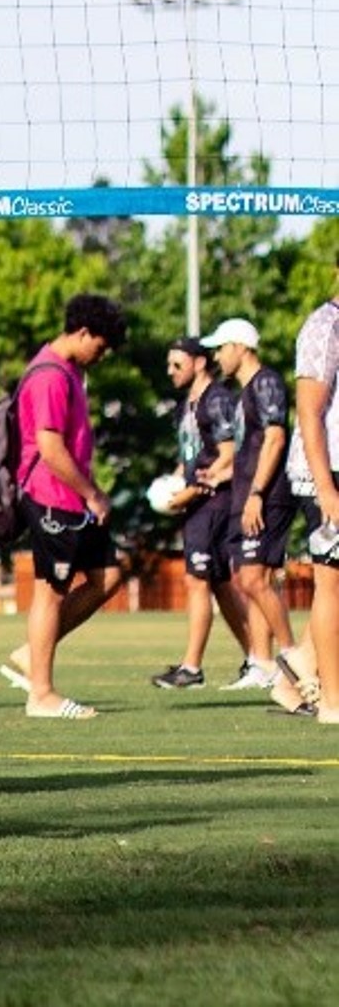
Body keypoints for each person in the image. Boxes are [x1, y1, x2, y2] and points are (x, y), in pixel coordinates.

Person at [0, 294, 128, 718]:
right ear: (82, 333)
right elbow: (50, 448)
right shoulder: (50, 375)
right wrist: (91, 492)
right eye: (101, 347)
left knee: (108, 577)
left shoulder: (69, 371)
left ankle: (30, 653)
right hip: (52, 498)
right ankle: (42, 693)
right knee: (50, 592)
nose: (102, 357)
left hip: (73, 499)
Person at [149, 337, 249, 689]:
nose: (170, 371)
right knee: (221, 584)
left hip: (213, 502)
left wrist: (188, 493)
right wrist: (172, 485)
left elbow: (227, 455)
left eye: (177, 364)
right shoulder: (185, 406)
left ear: (199, 363)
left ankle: (192, 669)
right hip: (196, 502)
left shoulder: (217, 400)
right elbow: (189, 456)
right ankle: (258, 659)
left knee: (197, 580)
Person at [216, 317, 296, 688]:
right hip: (247, 493)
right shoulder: (242, 393)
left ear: (239, 347)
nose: (217, 356)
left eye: (221, 348)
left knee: (253, 578)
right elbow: (247, 447)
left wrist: (257, 494)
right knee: (252, 579)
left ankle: (294, 658)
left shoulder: (265, 382)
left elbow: (276, 438)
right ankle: (262, 662)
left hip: (268, 495)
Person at [287, 254, 339, 723]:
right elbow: (310, 412)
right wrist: (326, 488)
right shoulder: (325, 326)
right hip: (326, 472)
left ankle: (301, 668)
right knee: (332, 584)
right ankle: (333, 703)